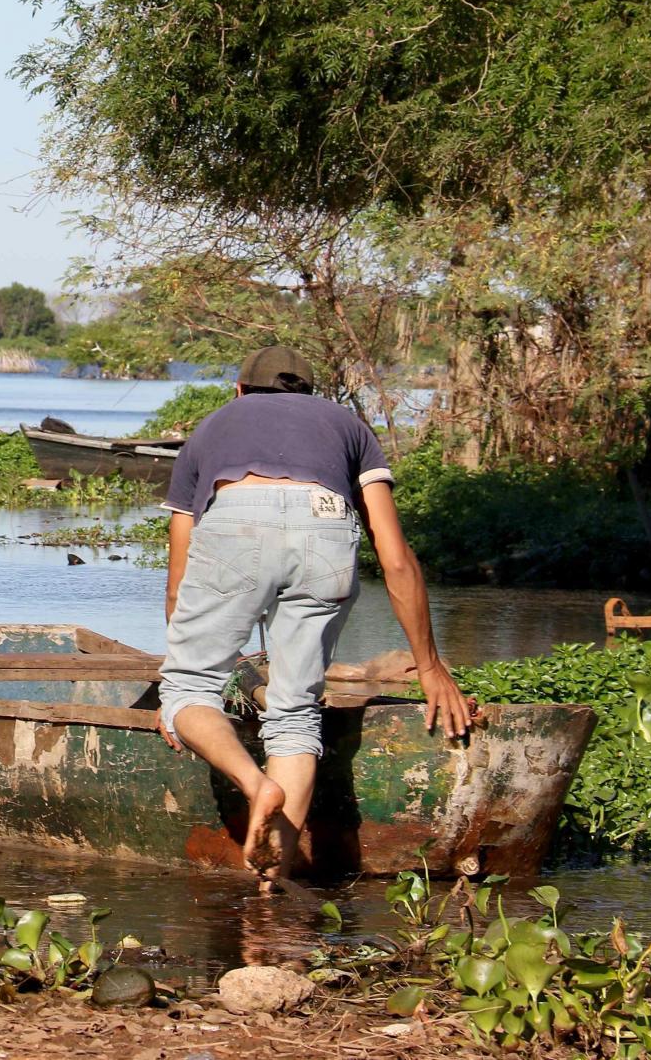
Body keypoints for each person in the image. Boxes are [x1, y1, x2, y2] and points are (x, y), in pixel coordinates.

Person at [155, 345, 475, 885]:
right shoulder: (348, 427)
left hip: (235, 520)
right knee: (296, 713)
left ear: (239, 391)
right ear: (310, 394)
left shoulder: (210, 429)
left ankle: (256, 786)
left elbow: (178, 583)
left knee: (187, 689)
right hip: (327, 526)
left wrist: (188, 700)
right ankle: (271, 884)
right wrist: (429, 665)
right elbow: (395, 559)